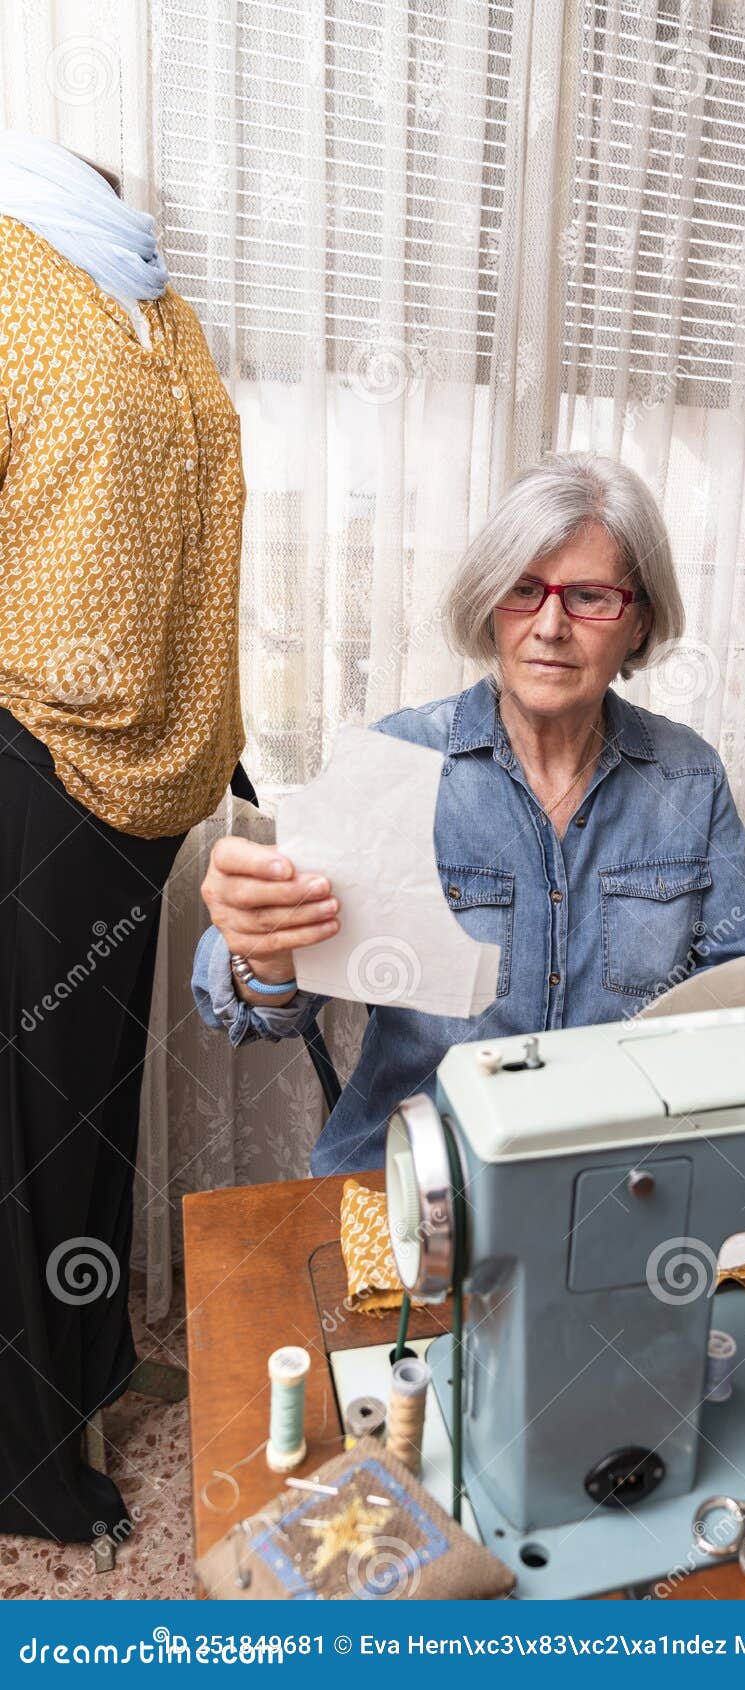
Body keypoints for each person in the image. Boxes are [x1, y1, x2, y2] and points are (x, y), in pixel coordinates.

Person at [194, 452, 745, 1174]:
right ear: (488, 606)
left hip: (615, 1177)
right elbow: (257, 1011)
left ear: (638, 623)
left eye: (590, 597)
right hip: (413, 1178)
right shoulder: (395, 760)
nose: (551, 625)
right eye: (523, 590)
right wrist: (264, 952)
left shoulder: (687, 775)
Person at [0, 134, 248, 1543]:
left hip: (144, 778)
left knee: (93, 1110)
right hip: (31, 760)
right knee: (25, 1131)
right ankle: (26, 1459)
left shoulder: (156, 301)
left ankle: (87, 1367)